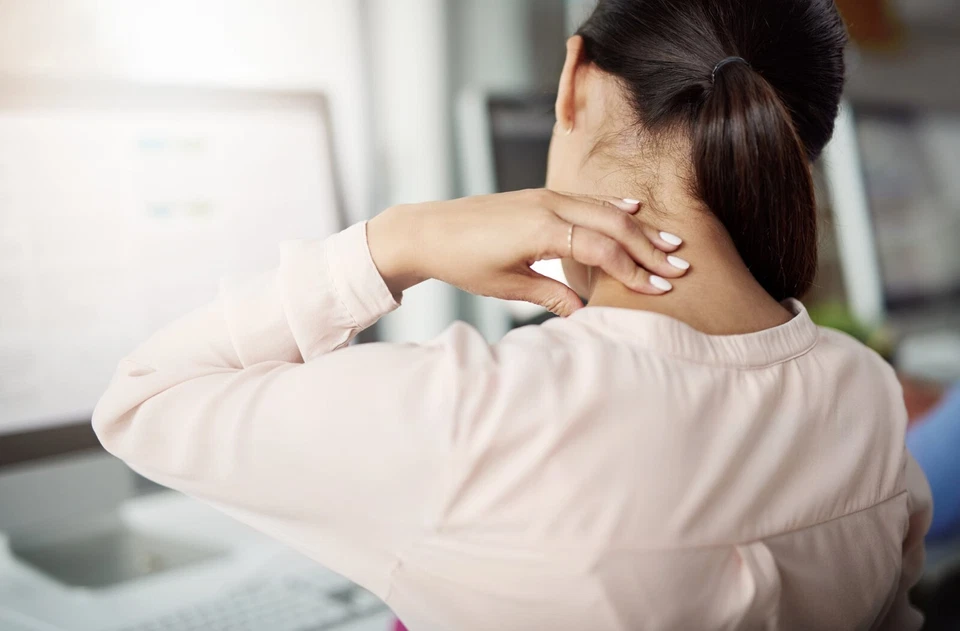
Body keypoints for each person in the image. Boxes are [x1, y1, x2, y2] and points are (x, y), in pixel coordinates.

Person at [93, 0, 932, 629]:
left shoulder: (478, 412)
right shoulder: (862, 393)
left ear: (573, 81)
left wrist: (400, 240)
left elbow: (140, 400)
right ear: (798, 149)